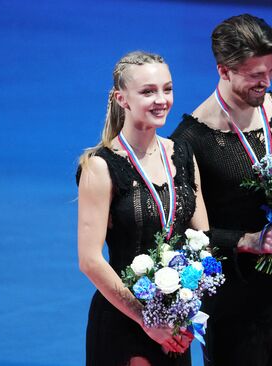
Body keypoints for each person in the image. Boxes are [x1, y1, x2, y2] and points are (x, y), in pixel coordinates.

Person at [171, 14, 272, 366]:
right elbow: (186, 237)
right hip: (233, 314)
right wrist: (247, 240)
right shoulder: (190, 141)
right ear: (224, 70)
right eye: (255, 75)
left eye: (271, 72)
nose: (266, 82)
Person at [77, 51, 208, 366]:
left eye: (167, 88)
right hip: (123, 321)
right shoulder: (100, 166)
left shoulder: (183, 155)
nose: (161, 99)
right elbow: (90, 261)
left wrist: (185, 309)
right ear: (122, 99)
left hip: (173, 321)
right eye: (148, 91)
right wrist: (145, 318)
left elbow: (203, 239)